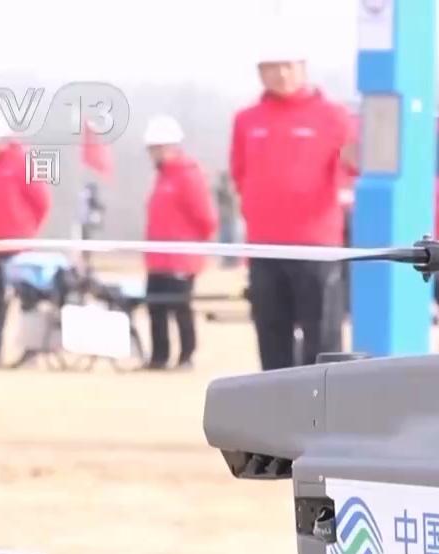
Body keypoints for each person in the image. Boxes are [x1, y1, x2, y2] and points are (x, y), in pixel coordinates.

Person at [229, 39, 356, 370]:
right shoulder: (246, 120)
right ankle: (275, 401)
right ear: (260, 71)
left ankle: (325, 401)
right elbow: (239, 174)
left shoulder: (334, 116)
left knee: (323, 341)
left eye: (288, 65)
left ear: (303, 67)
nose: (281, 74)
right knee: (271, 338)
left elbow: (354, 169)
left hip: (317, 248)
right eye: (272, 67)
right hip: (264, 248)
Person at [0, 124, 52, 367]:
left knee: (28, 298)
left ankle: (31, 349)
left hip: (18, 245)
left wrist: (25, 231)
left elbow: (42, 201)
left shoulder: (23, 161)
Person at [140, 114, 217, 370]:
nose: (154, 154)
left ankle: (186, 356)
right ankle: (159, 357)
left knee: (180, 307)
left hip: (181, 258)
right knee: (156, 308)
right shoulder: (162, 177)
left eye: (157, 148)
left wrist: (190, 248)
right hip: (158, 258)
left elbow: (206, 218)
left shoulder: (188, 175)